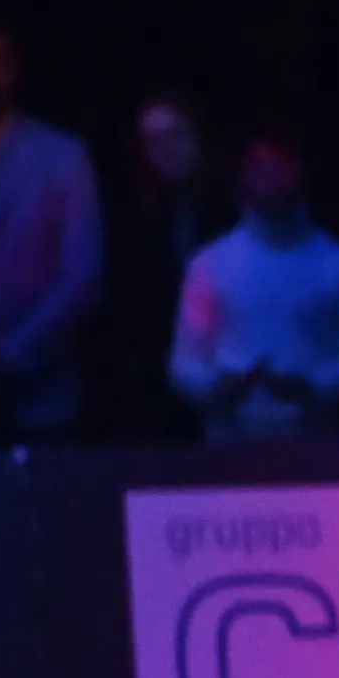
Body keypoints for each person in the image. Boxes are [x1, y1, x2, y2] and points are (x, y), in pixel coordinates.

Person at [168, 126, 339, 442]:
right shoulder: (209, 263)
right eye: (260, 167)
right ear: (242, 179)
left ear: (302, 173)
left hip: (318, 445)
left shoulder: (338, 262)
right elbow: (185, 361)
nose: (272, 177)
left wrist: (312, 387)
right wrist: (220, 387)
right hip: (229, 445)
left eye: (281, 165)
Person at [0, 20, 102, 443]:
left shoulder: (63, 157)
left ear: (12, 69)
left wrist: (8, 356)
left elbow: (81, 276)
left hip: (42, 400)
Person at [101, 88, 232, 437]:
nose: (166, 149)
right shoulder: (135, 221)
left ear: (198, 134)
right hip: (161, 385)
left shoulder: (234, 211)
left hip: (230, 375)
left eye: (175, 134)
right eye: (153, 141)